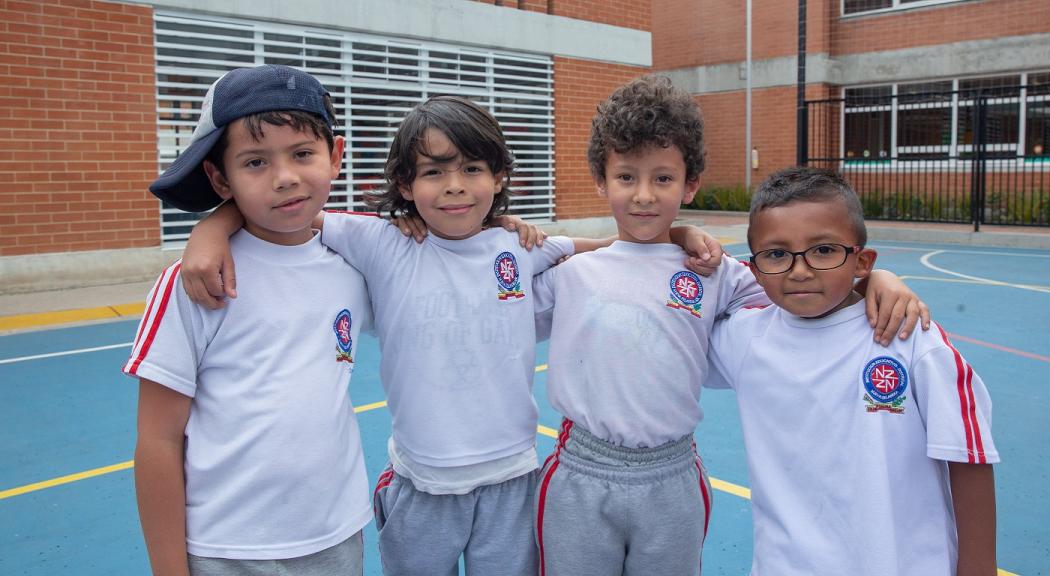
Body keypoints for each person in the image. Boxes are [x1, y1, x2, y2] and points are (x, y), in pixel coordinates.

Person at [178, 93, 723, 576]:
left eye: (472, 168)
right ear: (404, 184)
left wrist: (678, 232)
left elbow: (615, 246)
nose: (456, 186)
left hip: (512, 481)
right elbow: (287, 215)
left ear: (500, 177)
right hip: (422, 486)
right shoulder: (383, 244)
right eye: (434, 172)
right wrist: (211, 227)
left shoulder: (518, 248)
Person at [531, 76, 930, 576]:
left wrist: (876, 280)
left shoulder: (713, 271)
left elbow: (798, 286)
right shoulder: (570, 276)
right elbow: (497, 300)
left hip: (672, 477)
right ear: (601, 181)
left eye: (663, 178)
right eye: (626, 177)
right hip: (580, 475)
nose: (644, 196)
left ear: (690, 183)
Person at [124, 65, 373, 576]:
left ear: (336, 156)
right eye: (255, 162)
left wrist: (513, 228)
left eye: (303, 153)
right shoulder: (194, 282)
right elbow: (157, 439)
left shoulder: (358, 262)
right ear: (220, 178)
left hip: (336, 535)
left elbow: (447, 236)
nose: (285, 177)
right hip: (226, 549)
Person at [707, 166, 998, 576]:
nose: (800, 269)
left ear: (862, 260)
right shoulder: (744, 339)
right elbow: (662, 293)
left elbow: (968, 457)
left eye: (824, 250)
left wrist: (979, 567)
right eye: (776, 254)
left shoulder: (909, 337)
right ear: (753, 269)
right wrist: (684, 235)